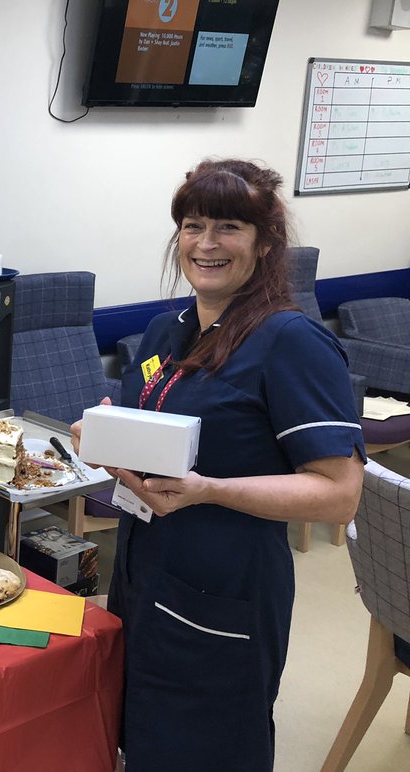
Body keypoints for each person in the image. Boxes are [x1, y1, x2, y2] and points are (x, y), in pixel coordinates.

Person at [71, 159, 364, 772]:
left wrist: (210, 490)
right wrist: (107, 439)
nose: (206, 243)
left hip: (227, 588)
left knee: (209, 748)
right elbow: (157, 449)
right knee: (143, 736)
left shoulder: (292, 342)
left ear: (265, 243)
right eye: (193, 225)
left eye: (228, 226)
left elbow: (339, 494)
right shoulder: (165, 331)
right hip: (146, 573)